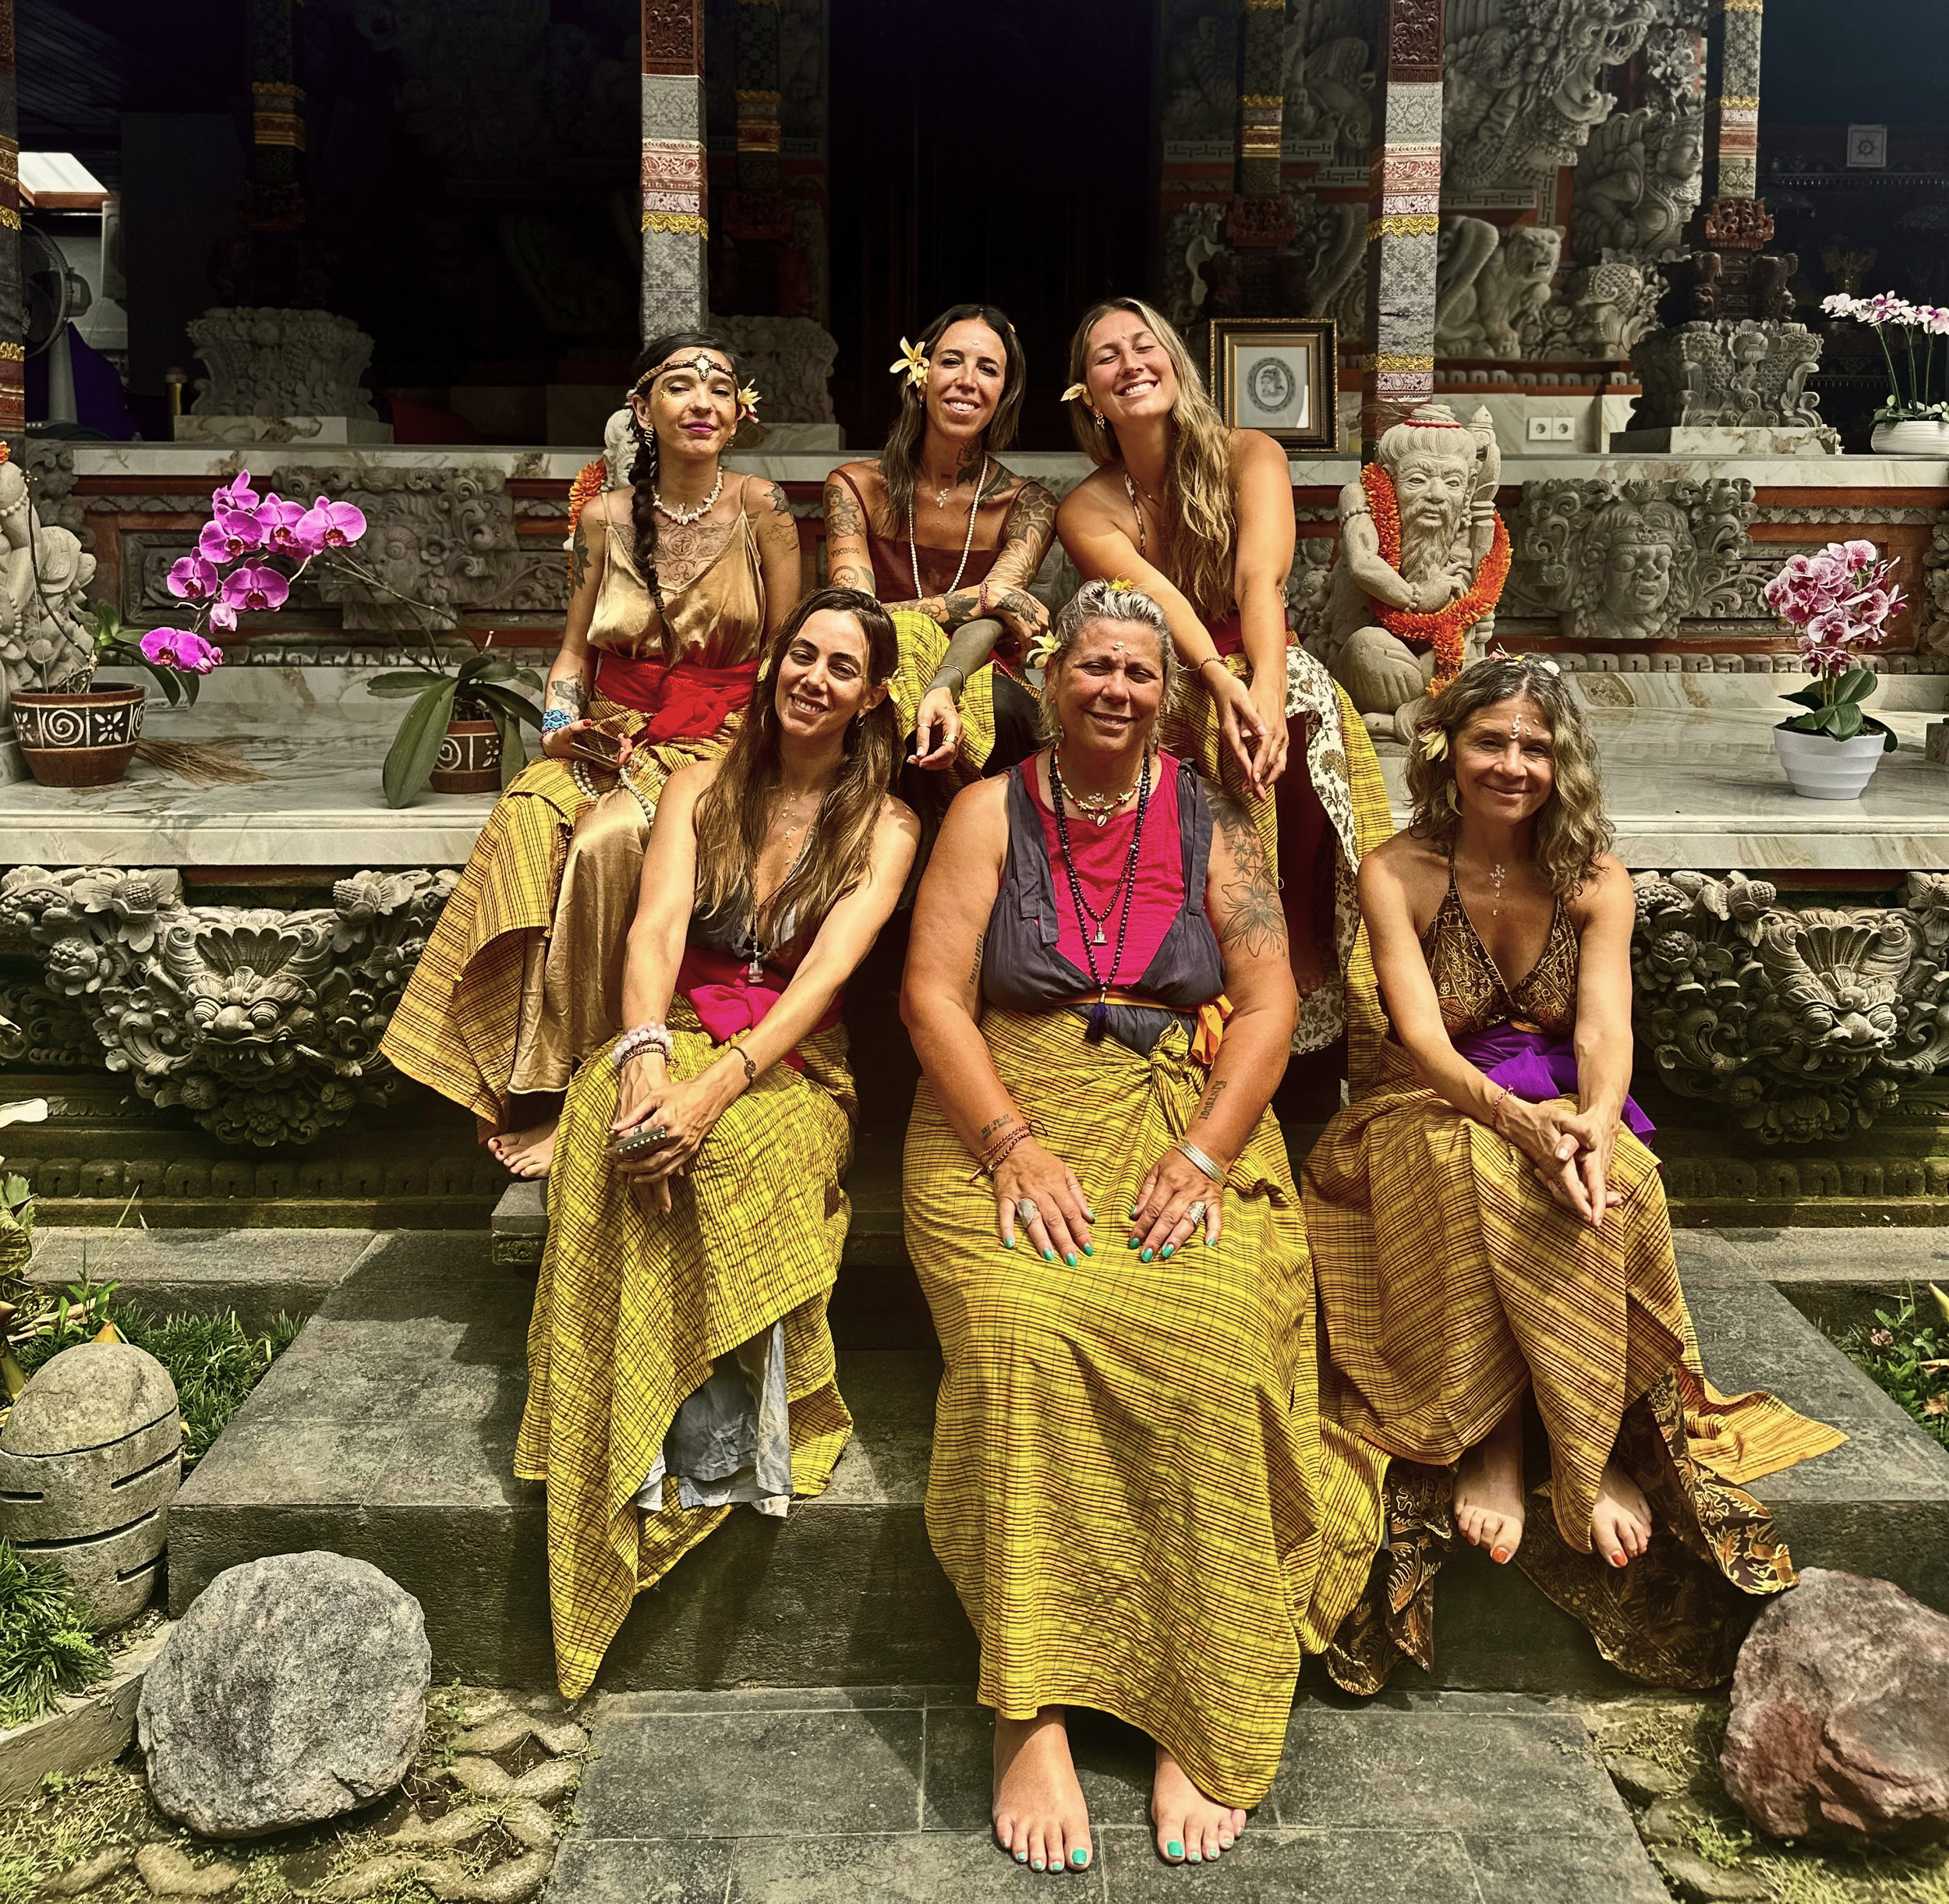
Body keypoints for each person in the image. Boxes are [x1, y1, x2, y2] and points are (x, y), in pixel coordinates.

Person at [902, 582, 1383, 1871]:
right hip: (1004, 1112)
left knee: (1214, 1332)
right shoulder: (987, 811)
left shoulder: (1213, 817)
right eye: (1095, 665)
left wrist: (1208, 1149)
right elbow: (932, 996)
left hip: (1178, 1113)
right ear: (1050, 677)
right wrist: (1011, 1144)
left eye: (1139, 672)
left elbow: (1269, 1002)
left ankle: (1199, 1693)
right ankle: (1030, 1704)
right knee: (1023, 1323)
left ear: (1166, 697)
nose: (1116, 687)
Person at [1303, 654, 1844, 1691]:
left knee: (1619, 1179)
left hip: (1563, 1097)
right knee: (1477, 1165)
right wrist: (1520, 1122)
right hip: (1430, 1101)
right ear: (1445, 750)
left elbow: (1602, 1029)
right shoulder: (1397, 871)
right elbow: (1423, 1040)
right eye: (1490, 741)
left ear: (1565, 763)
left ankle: (1584, 1447)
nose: (1512, 764)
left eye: (1536, 746)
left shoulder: (1596, 879)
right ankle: (1499, 1446)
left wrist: (1593, 1122)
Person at [517, 587, 919, 1697]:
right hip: (673, 1026)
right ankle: (621, 1439)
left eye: (842, 667)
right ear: (774, 664)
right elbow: (653, 928)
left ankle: (716, 1443)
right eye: (802, 655)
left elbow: (825, 978)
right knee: (607, 1128)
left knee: (736, 1155)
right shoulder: (700, 784)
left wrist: (711, 1093)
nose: (814, 679)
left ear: (870, 697)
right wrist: (646, 1056)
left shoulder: (887, 826)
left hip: (790, 1058)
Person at [382, 332, 803, 1176]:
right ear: (642, 409)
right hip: (610, 729)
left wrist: (757, 747)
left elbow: (786, 650)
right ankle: (512, 1080)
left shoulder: (764, 507)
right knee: (525, 821)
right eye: (680, 384)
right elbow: (574, 654)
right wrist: (558, 725)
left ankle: (588, 1087)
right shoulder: (602, 519)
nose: (702, 401)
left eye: (720, 387)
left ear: (738, 413)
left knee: (612, 837)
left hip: (724, 735)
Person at [1054, 297, 1392, 1095]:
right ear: (1087, 395)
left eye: (1144, 346)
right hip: (1173, 670)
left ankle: (1299, 924)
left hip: (1263, 646)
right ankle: (1207, 943)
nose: (1130, 364)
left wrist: (1264, 688)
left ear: (1175, 361)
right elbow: (1163, 607)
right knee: (1178, 713)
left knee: (1302, 697)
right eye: (1106, 357)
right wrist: (1219, 682)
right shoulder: (1086, 509)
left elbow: (1258, 581)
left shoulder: (1251, 453)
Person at [823, 303, 1055, 778]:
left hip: (979, 673)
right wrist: (985, 597)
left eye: (987, 369)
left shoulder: (1029, 506)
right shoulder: (855, 487)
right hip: (875, 664)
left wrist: (944, 682)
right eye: (951, 361)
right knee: (882, 680)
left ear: (1004, 393)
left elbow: (992, 620)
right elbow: (854, 618)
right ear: (920, 377)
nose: (967, 380)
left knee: (1002, 708)